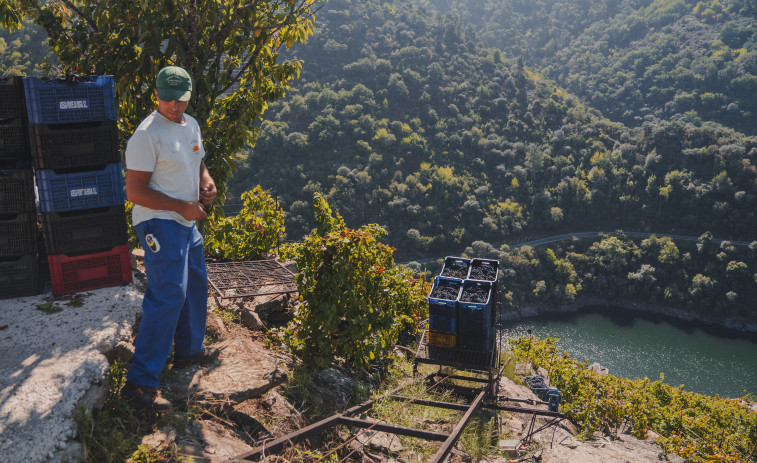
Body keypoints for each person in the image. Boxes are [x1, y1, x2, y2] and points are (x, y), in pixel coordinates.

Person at [122, 65, 219, 412]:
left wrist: (205, 182)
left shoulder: (189, 124)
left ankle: (189, 352)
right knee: (168, 295)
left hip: (186, 222)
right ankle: (140, 384)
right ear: (156, 96)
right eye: (167, 100)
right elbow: (135, 192)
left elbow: (198, 161)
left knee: (195, 285)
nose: (173, 107)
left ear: (189, 97)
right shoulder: (147, 135)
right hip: (159, 223)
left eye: (180, 100)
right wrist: (182, 206)